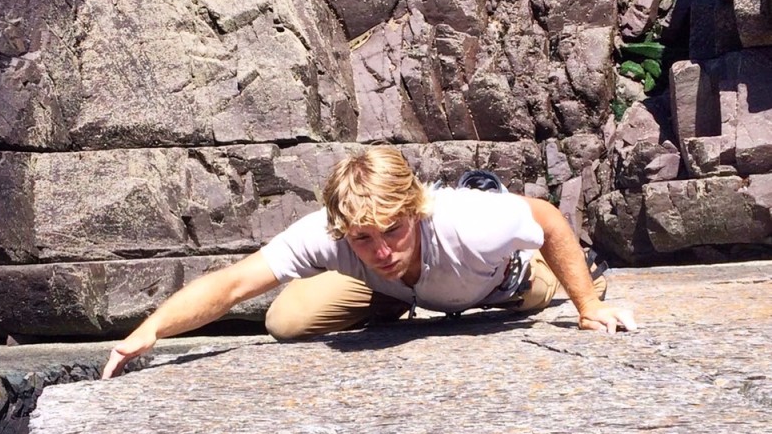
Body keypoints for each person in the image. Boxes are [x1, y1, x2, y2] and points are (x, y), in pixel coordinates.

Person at [102, 146, 636, 378]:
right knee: (285, 320)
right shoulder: (330, 232)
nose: (380, 249)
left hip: (499, 282)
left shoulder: (465, 220)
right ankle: (397, 302)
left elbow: (546, 218)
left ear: (415, 209)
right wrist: (150, 331)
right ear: (340, 228)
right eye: (362, 238)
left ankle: (553, 277)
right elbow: (237, 282)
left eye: (392, 231)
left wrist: (587, 305)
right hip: (403, 292)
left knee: (542, 286)